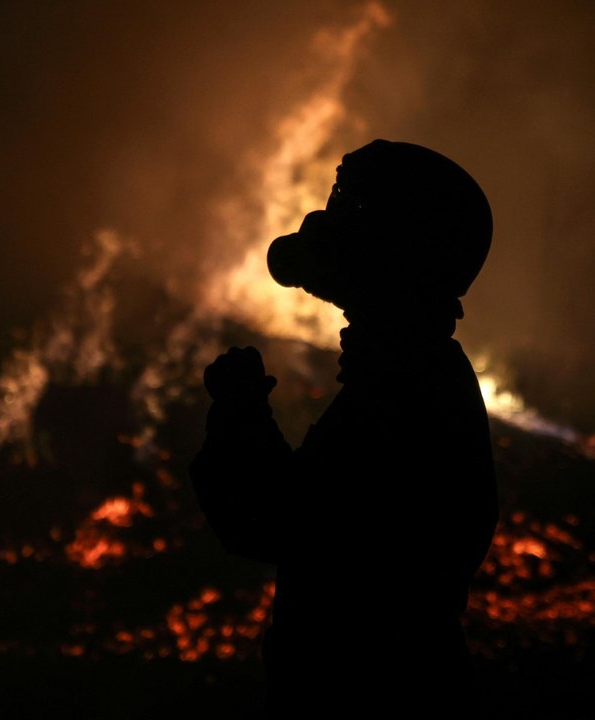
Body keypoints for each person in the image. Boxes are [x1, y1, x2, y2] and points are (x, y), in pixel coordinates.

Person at [192, 140, 498, 717]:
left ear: (398, 245)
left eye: (351, 209)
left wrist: (238, 412)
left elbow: (275, 522)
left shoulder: (402, 394)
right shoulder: (416, 373)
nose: (325, 224)